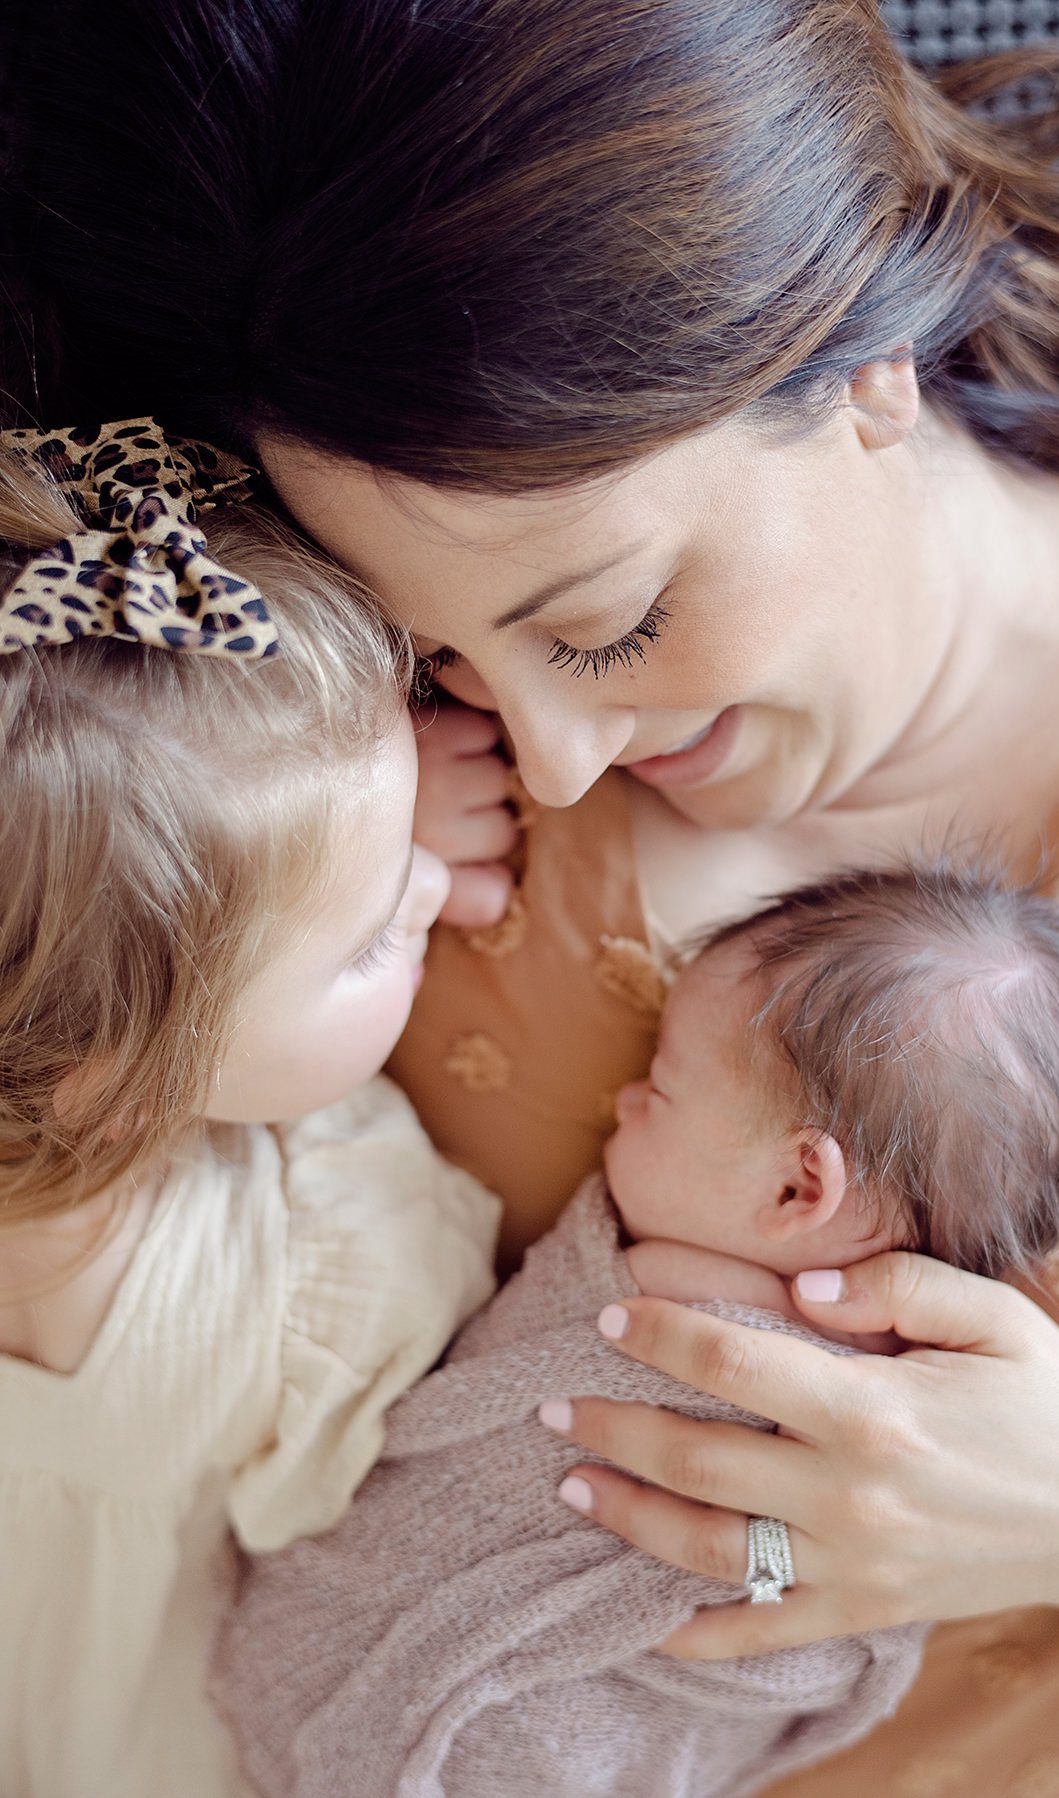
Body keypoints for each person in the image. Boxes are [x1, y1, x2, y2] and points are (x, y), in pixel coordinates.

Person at [3, 2, 1059, 1790]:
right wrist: (289, 854)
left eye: (608, 623)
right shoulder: (337, 794)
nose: (552, 757)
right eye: (452, 652)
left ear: (864, 347)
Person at [216, 862, 1059, 1798]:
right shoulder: (941, 1407)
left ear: (796, 1190)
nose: (624, 1100)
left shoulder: (654, 1298)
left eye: (660, 1084)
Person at [0, 419, 499, 1798]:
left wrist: (343, 861)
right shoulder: (321, 1261)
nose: (431, 894)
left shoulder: (63, 1040)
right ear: (112, 1067)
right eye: (362, 947)